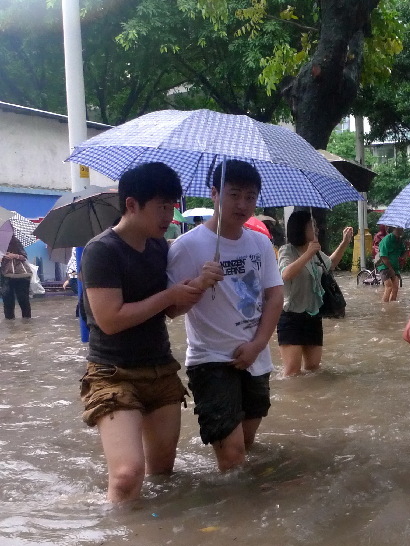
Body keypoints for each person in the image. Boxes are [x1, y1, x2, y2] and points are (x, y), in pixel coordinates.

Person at [79, 162, 221, 502]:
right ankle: (117, 545)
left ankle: (156, 540)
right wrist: (169, 296)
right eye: (162, 206)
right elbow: (110, 319)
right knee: (127, 475)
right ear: (132, 205)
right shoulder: (102, 250)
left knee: (162, 474)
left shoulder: (161, 248)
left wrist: (198, 285)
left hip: (159, 369)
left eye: (172, 206)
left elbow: (171, 311)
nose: (169, 215)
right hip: (112, 372)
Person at [167, 160, 284, 472]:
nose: (243, 204)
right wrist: (199, 284)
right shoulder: (187, 247)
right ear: (215, 194)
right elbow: (171, 310)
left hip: (255, 355)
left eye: (250, 196)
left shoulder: (260, 242)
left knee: (246, 442)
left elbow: (275, 296)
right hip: (210, 360)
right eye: (234, 195)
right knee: (232, 458)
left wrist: (258, 344)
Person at [277, 209, 353, 375]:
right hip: (291, 317)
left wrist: (345, 242)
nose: (316, 229)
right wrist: (308, 253)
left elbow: (330, 264)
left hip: (313, 316)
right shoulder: (287, 250)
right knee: (292, 373)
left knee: (313, 369)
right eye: (312, 226)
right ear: (300, 229)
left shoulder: (316, 252)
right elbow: (285, 274)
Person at [2, 235, 32, 319]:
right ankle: (10, 324)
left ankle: (27, 323)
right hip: (5, 276)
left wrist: (14, 256)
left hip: (20, 276)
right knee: (7, 301)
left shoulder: (15, 242)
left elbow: (24, 256)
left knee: (23, 300)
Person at [376, 225, 405, 302]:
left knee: (395, 288)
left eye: (402, 229)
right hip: (384, 266)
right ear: (394, 228)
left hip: (395, 266)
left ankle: (392, 307)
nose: (401, 230)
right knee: (389, 287)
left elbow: (402, 254)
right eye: (399, 228)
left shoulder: (400, 241)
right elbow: (383, 257)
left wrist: (408, 249)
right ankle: (384, 307)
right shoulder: (386, 240)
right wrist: (391, 269)